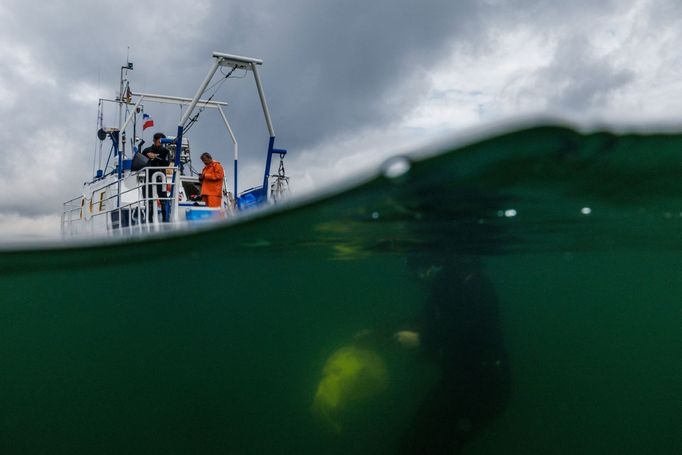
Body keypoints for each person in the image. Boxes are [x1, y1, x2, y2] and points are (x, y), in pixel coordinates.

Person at [141, 132, 171, 222]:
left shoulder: (165, 151)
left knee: (163, 200)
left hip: (161, 178)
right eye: (159, 141)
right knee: (149, 201)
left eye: (162, 142)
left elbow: (167, 163)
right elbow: (141, 163)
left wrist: (155, 157)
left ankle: (166, 221)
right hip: (149, 178)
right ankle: (149, 221)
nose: (161, 144)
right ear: (154, 140)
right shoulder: (146, 150)